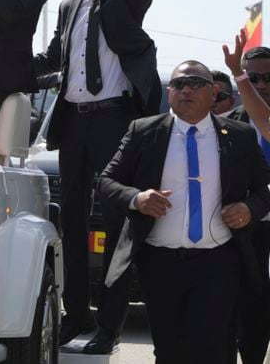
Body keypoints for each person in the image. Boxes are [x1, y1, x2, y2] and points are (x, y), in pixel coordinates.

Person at [33, 0, 160, 353]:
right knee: (71, 224)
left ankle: (109, 328)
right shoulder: (69, 6)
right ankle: (74, 317)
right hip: (74, 124)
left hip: (115, 124)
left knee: (115, 221)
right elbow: (51, 60)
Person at [99, 60, 270, 364]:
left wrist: (248, 209)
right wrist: (137, 198)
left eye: (195, 83)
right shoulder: (143, 132)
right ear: (170, 92)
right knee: (169, 350)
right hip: (160, 263)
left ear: (213, 92)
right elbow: (107, 181)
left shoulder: (239, 136)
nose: (186, 89)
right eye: (178, 84)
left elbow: (262, 192)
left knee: (213, 348)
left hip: (217, 262)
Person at [222, 34, 270, 364]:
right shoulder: (227, 125)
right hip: (242, 230)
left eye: (268, 77)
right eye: (253, 77)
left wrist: (238, 78)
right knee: (241, 313)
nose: (261, 84)